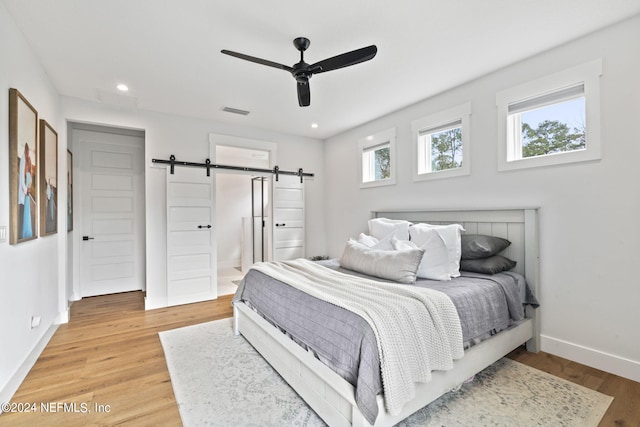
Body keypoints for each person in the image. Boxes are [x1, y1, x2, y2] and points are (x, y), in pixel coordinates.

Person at [21, 143, 33, 239]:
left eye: (28, 151)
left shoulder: (29, 160)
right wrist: (26, 188)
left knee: (27, 210)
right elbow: (23, 174)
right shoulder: (23, 159)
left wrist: (29, 186)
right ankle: (25, 231)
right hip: (25, 189)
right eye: (26, 151)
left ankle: (28, 231)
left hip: (27, 188)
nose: (27, 153)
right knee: (25, 211)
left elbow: (30, 173)